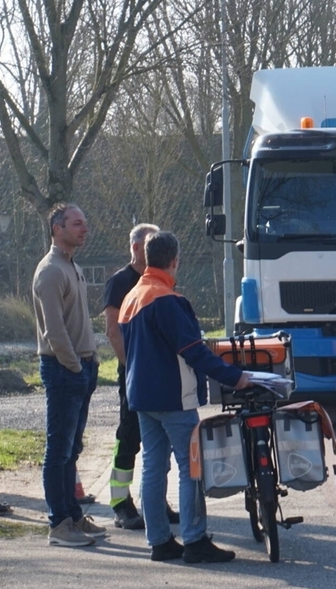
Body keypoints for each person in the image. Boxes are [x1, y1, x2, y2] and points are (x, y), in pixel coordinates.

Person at [119, 231, 250, 562]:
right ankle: (194, 540)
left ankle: (159, 541)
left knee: (152, 468)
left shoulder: (133, 296)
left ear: (148, 258)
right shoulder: (167, 299)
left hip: (142, 397)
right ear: (175, 260)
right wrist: (237, 378)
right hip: (174, 397)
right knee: (191, 466)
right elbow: (194, 352)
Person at [32, 203, 107, 548]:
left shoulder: (70, 266)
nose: (84, 229)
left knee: (71, 448)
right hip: (64, 368)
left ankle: (73, 517)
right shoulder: (50, 271)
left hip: (81, 366)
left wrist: (89, 362)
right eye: (77, 223)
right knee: (59, 449)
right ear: (57, 228)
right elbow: (54, 331)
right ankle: (59, 524)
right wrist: (75, 366)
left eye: (85, 223)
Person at [102, 222, 179, 529]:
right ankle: (120, 502)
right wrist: (131, 367)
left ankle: (155, 502)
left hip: (158, 373)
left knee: (160, 441)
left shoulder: (162, 278)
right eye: (149, 243)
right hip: (134, 373)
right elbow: (113, 331)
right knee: (129, 436)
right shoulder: (120, 282)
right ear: (135, 247)